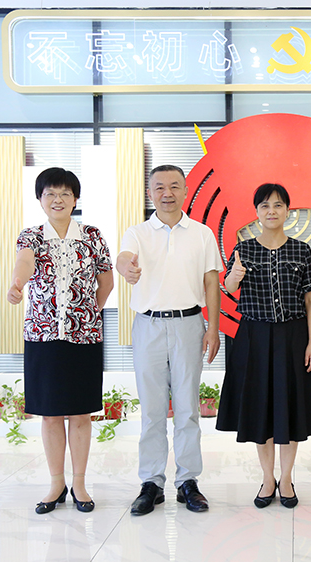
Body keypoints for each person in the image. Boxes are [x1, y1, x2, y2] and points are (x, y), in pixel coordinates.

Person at [7, 167, 114, 515]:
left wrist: (88, 312)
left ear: (75, 199)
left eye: (65, 193)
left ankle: (79, 483)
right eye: (50, 193)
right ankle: (56, 483)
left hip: (84, 336)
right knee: (51, 415)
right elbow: (24, 263)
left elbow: (107, 281)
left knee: (81, 413)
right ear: (40, 199)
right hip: (43, 336)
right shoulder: (31, 236)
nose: (58, 199)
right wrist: (17, 284)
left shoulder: (92, 235)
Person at [116, 164, 222, 515]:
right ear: (150, 193)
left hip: (189, 324)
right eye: (159, 187)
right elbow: (123, 258)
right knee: (152, 409)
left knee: (188, 409)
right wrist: (126, 268)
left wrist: (213, 328)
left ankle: (188, 481)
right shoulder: (137, 232)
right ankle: (151, 482)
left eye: (174, 186)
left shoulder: (202, 233)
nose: (167, 193)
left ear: (186, 191)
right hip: (148, 325)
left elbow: (211, 281)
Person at [216, 183, 311, 509]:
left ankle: (287, 478)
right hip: (254, 337)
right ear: (256, 212)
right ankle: (267, 478)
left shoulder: (301, 250)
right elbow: (229, 287)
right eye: (265, 206)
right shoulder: (244, 249)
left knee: (290, 409)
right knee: (260, 409)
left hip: (293, 337)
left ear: (287, 211)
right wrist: (235, 275)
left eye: (278, 205)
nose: (271, 211)